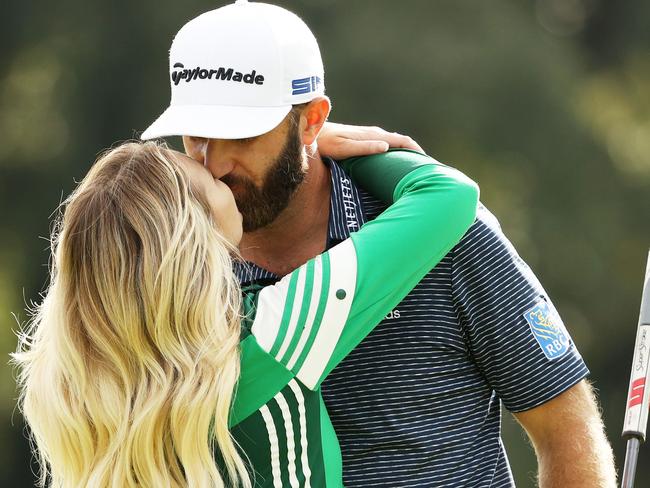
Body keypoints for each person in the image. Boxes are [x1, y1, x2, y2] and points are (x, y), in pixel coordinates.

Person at [140, 2, 618, 486]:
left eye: (241, 136)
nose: (214, 164)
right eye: (197, 136)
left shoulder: (441, 233)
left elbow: (564, 426)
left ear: (311, 121)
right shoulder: (172, 259)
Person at [12, 139, 479, 486]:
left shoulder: (63, 381)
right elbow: (447, 194)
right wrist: (309, 144)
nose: (216, 167)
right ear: (192, 229)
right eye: (208, 179)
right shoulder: (265, 337)